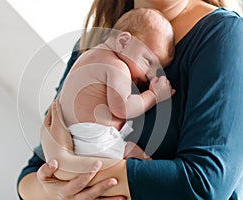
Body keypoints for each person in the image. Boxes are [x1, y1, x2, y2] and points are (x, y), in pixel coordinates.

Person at [18, 0, 243, 199]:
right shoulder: (93, 43)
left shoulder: (224, 35)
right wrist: (57, 193)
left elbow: (205, 186)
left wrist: (67, 166)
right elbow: (31, 177)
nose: (149, 77)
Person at [55, 8, 175, 162]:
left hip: (73, 138)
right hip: (93, 141)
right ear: (123, 42)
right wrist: (154, 95)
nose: (151, 75)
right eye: (149, 62)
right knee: (137, 156)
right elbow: (123, 108)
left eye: (158, 70)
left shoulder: (91, 55)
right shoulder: (117, 66)